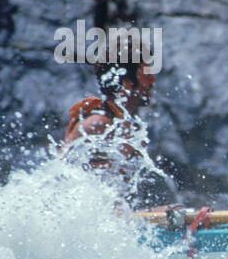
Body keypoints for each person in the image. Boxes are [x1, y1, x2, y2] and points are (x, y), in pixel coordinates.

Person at [60, 35, 158, 179]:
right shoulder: (98, 124)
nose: (152, 79)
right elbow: (65, 182)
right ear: (126, 83)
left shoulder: (125, 126)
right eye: (146, 73)